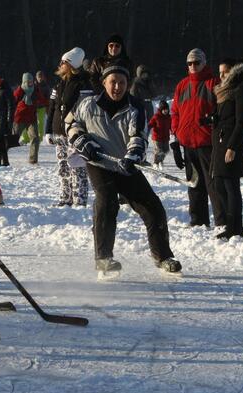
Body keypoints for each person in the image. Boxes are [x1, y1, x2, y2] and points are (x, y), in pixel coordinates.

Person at [66, 65, 181, 277]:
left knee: (152, 207)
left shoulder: (135, 107)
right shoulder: (87, 104)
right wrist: (83, 143)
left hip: (124, 165)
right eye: (113, 82)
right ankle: (103, 258)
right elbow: (71, 125)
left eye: (122, 83)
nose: (117, 87)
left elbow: (138, 136)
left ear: (128, 85)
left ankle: (163, 256)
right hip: (99, 164)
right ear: (104, 83)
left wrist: (132, 156)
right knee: (106, 202)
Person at [170, 48, 225, 228]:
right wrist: (175, 139)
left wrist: (215, 122)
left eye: (197, 62)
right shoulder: (182, 86)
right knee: (194, 185)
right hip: (187, 143)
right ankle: (198, 221)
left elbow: (223, 111)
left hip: (207, 143)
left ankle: (222, 222)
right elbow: (175, 113)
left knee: (213, 185)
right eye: (190, 63)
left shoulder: (213, 83)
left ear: (204, 63)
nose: (193, 66)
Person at [210, 58, 243, 240]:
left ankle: (236, 228)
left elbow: (241, 122)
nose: (222, 76)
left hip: (232, 145)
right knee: (220, 183)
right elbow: (226, 117)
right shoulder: (224, 92)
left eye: (225, 72)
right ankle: (231, 226)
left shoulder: (242, 89)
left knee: (231, 185)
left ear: (234, 71)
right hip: (221, 143)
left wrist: (232, 147)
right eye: (220, 72)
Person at [44, 47, 92, 207]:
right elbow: (51, 107)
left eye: (63, 62)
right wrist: (48, 130)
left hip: (75, 133)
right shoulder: (58, 85)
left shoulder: (83, 83)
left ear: (71, 64)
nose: (60, 65)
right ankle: (66, 198)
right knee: (63, 168)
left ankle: (80, 199)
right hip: (58, 133)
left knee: (77, 167)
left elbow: (84, 108)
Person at [13, 72, 47, 164]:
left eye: (31, 81)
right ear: (24, 82)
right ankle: (2, 155)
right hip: (20, 118)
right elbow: (13, 102)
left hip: (31, 118)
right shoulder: (20, 90)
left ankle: (33, 160)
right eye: (28, 82)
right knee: (13, 138)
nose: (30, 83)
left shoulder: (35, 89)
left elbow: (42, 99)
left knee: (35, 138)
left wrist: (47, 104)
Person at [148, 100, 171, 168]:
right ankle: (156, 163)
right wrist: (147, 128)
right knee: (159, 150)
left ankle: (160, 160)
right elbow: (150, 124)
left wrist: (174, 131)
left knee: (166, 150)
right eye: (164, 110)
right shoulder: (156, 116)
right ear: (161, 109)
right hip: (157, 137)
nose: (166, 111)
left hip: (166, 137)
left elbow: (171, 126)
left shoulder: (169, 117)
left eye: (167, 109)